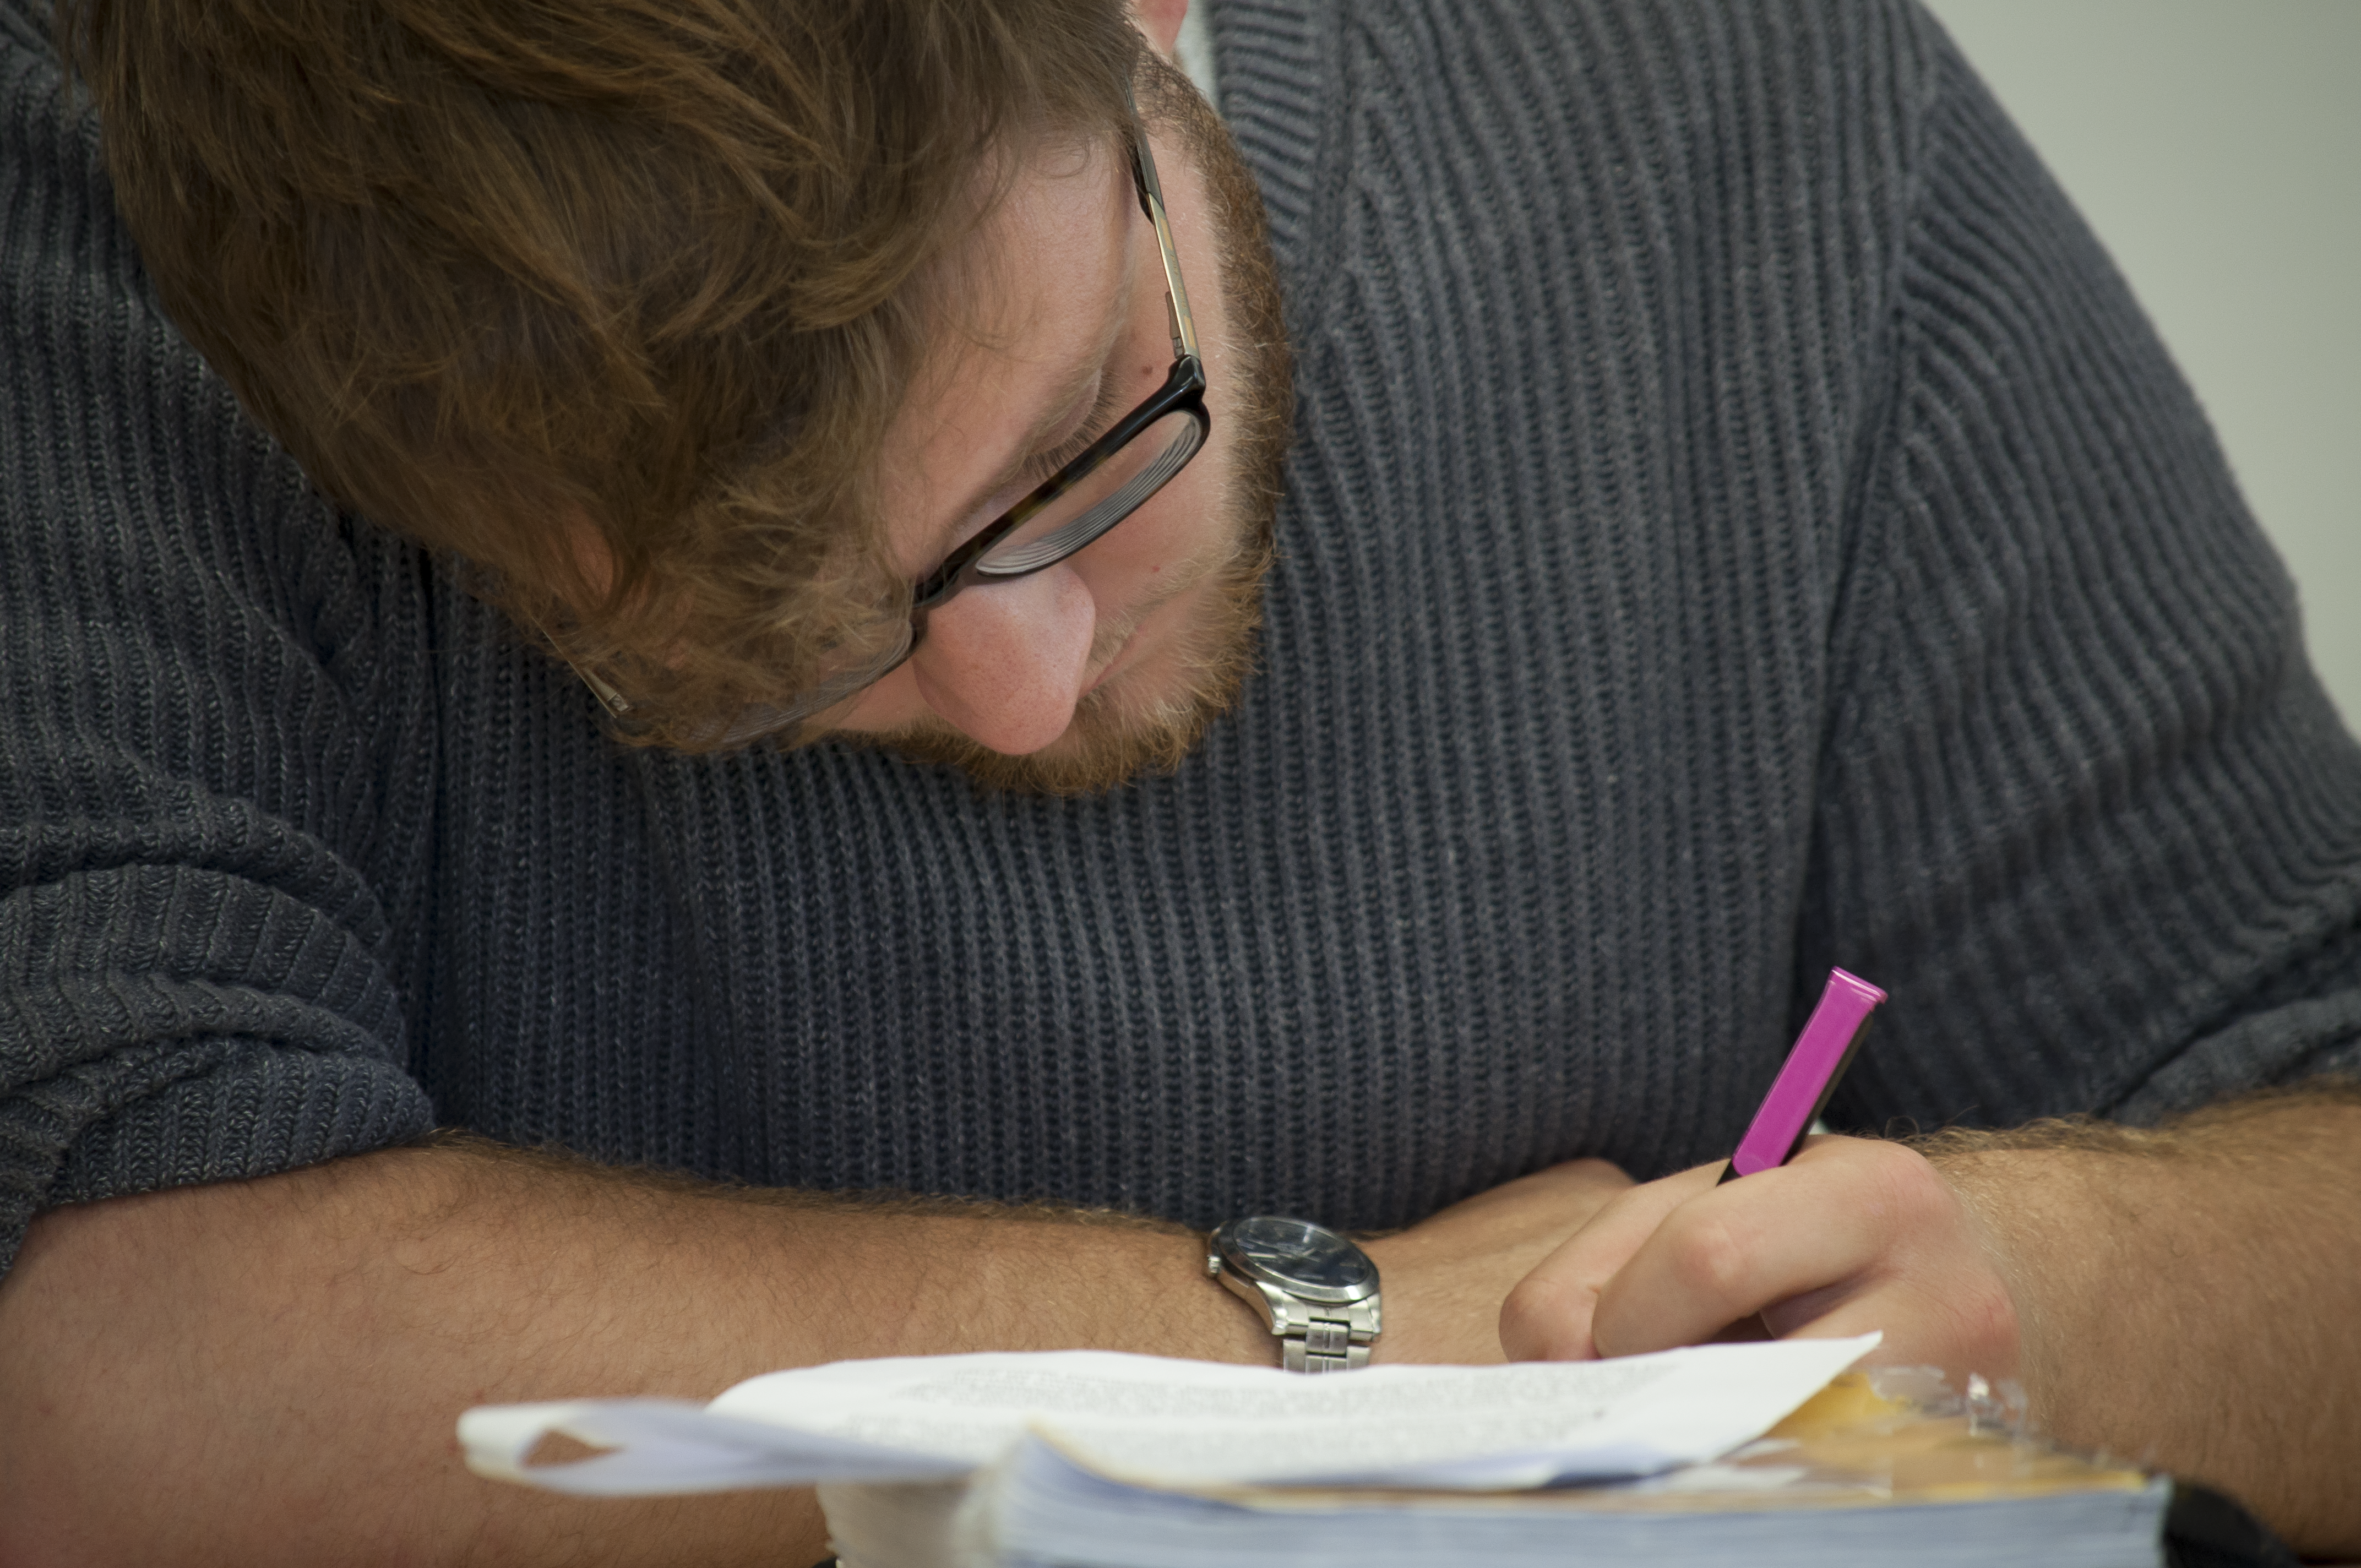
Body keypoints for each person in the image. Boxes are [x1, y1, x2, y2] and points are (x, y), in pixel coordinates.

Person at [2, 0, 2356, 1561]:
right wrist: (1383, 1359)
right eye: (761, 657)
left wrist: (2032, 1290)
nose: (1026, 687)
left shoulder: (1738, 118)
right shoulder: (108, 200)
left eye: (1079, 441)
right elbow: (99, 1369)